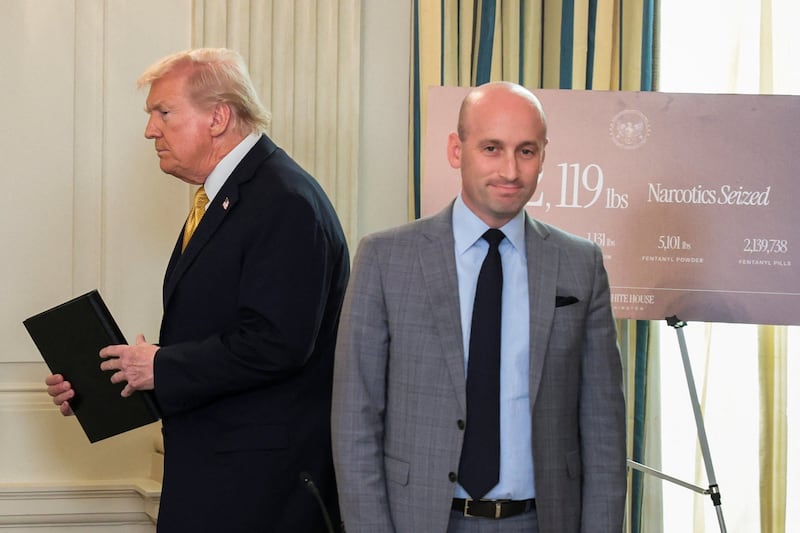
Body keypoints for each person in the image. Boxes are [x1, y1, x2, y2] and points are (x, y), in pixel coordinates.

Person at [45, 48, 349, 532]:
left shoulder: (284, 201)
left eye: (163, 112)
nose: (150, 130)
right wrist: (107, 383)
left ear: (219, 116)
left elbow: (277, 344)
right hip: (217, 479)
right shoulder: (225, 198)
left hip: (259, 493)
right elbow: (220, 343)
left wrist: (161, 365)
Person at [331, 81, 626, 532]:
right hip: (423, 520)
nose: (510, 169)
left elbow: (604, 430)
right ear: (456, 150)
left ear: (544, 156)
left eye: (526, 151)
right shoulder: (386, 259)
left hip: (541, 520)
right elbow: (355, 419)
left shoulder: (580, 264)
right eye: (492, 148)